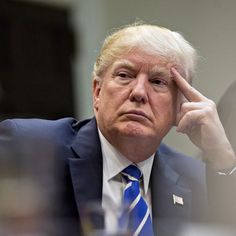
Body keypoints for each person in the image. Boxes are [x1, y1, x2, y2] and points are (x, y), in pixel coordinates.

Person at [0, 23, 235, 236]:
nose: (139, 93)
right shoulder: (26, 144)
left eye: (158, 82)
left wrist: (223, 155)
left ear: (180, 106)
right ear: (97, 92)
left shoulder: (195, 178)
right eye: (124, 75)